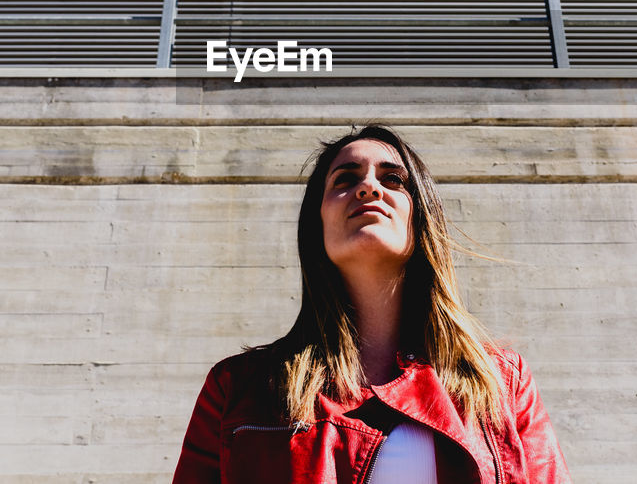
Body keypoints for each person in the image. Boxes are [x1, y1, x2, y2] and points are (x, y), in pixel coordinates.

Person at [172, 124, 571, 483]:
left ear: (422, 217)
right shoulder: (239, 388)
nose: (369, 187)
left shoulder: (501, 382)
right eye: (345, 179)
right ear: (318, 224)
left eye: (393, 179)